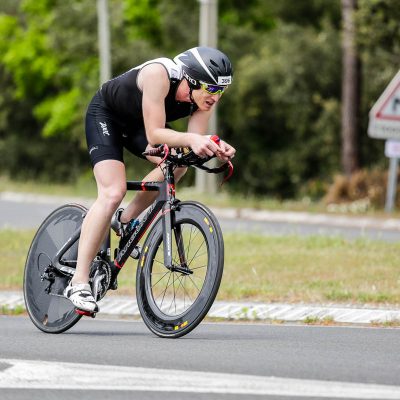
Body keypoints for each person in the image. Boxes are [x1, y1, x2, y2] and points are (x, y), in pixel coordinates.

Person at [64, 46, 236, 312]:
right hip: (106, 117)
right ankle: (79, 282)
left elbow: (191, 146)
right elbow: (155, 134)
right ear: (190, 79)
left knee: (180, 165)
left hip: (138, 127)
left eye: (221, 90)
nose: (215, 96)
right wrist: (194, 140)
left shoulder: (204, 98)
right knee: (113, 192)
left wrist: (215, 147)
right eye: (211, 88)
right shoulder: (159, 74)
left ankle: (125, 219)